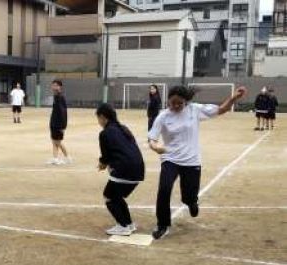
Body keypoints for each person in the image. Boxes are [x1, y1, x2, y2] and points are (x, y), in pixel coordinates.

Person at [148, 85, 247, 240]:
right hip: (170, 159)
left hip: (191, 160)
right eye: (172, 103)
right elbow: (152, 139)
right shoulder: (163, 116)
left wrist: (234, 98)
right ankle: (163, 224)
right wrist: (156, 147)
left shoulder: (194, 110)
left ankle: (192, 202)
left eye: (179, 103)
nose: (175, 106)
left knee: (188, 196)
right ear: (168, 100)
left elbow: (221, 110)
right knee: (164, 189)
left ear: (186, 102)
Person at [96, 103, 145, 236]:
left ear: (103, 117)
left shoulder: (105, 133)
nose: (99, 122)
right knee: (116, 196)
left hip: (124, 170)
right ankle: (128, 224)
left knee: (109, 196)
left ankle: (123, 226)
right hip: (139, 170)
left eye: (99, 118)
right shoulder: (124, 128)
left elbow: (106, 157)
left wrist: (102, 164)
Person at [47, 80, 71, 165]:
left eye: (55, 85)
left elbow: (63, 113)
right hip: (54, 123)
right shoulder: (56, 96)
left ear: (60, 87)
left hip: (58, 125)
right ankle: (55, 158)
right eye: (52, 85)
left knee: (58, 142)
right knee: (54, 141)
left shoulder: (60, 97)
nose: (53, 87)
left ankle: (68, 157)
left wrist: (63, 126)